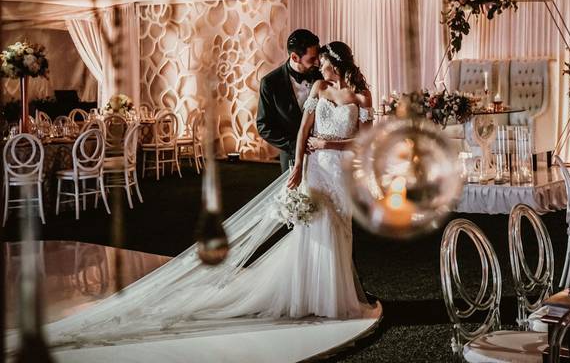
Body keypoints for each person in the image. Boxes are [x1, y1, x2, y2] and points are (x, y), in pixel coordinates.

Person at [34, 41, 379, 350]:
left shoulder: (362, 96)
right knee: (313, 230)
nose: (320, 67)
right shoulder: (319, 87)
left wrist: (330, 144)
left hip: (339, 169)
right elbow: (304, 132)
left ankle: (335, 298)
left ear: (338, 64)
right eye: (319, 63)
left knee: (339, 227)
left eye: (325, 63)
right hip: (317, 168)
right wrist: (299, 165)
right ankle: (311, 298)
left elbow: (364, 140)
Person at [257, 29, 321, 173]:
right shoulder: (270, 83)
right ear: (294, 57)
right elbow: (264, 126)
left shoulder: (323, 75)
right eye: (312, 59)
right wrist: (295, 145)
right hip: (291, 156)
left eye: (318, 57)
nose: (317, 62)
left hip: (325, 154)